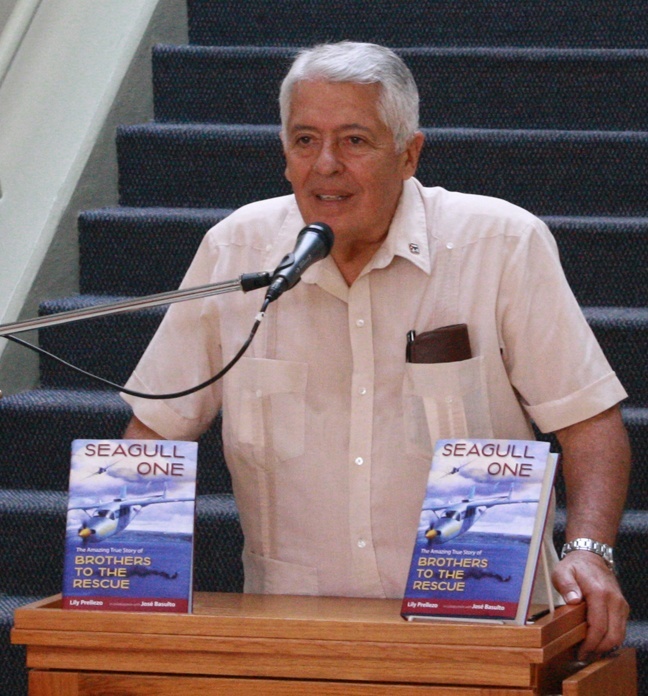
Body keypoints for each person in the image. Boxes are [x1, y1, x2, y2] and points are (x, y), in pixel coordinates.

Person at [122, 42, 631, 660]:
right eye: (305, 140)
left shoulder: (500, 243)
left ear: (409, 153)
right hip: (295, 638)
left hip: (479, 633)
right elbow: (153, 434)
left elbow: (588, 422)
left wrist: (590, 551)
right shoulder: (238, 252)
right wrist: (120, 587)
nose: (326, 165)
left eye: (355, 141)